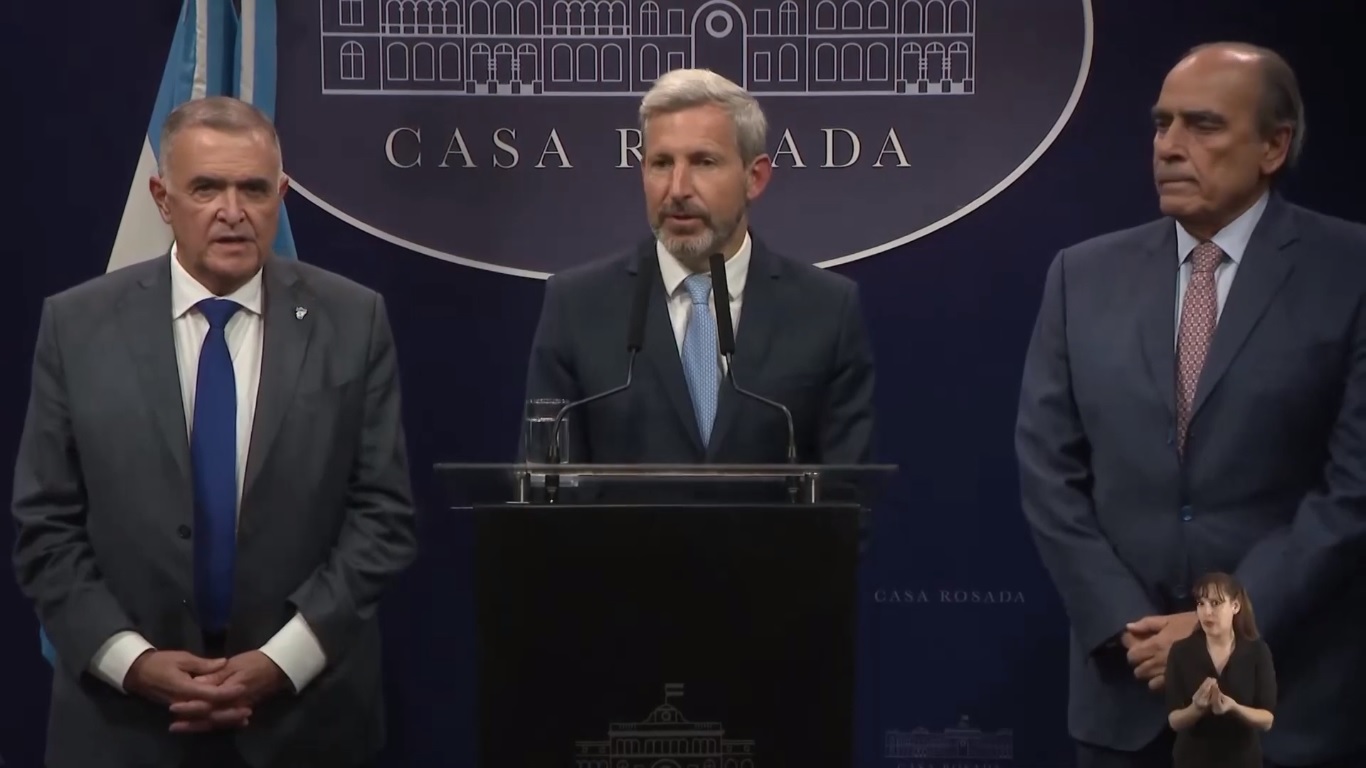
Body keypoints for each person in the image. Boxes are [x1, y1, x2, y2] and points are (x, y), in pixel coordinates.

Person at [11, 96, 417, 768]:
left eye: (253, 189)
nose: (232, 211)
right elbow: (45, 525)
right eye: (206, 188)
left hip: (305, 724)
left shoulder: (353, 320)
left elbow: (383, 516)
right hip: (121, 728)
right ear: (162, 198)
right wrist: (131, 662)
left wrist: (282, 661)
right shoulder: (76, 326)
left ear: (280, 196)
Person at [1015, 41, 1366, 768]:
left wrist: (1221, 623)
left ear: (1273, 147)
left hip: (1290, 701)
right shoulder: (1082, 276)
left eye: (1203, 125)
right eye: (1161, 123)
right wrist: (1129, 626)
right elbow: (1049, 473)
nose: (1169, 146)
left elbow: (1353, 489)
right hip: (1128, 689)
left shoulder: (1350, 270)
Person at [522, 68, 874, 466]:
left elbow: (846, 492)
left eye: (704, 162)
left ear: (754, 177)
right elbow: (544, 486)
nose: (677, 189)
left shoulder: (825, 310)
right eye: (661, 163)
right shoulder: (577, 307)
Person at [1165, 572, 1275, 768]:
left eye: (1215, 603)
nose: (1206, 612)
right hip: (1192, 761)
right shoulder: (1180, 651)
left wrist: (1234, 708)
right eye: (1201, 603)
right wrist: (1196, 708)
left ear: (1235, 606)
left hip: (1242, 761)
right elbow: (1174, 720)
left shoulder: (1257, 651)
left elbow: (1266, 719)